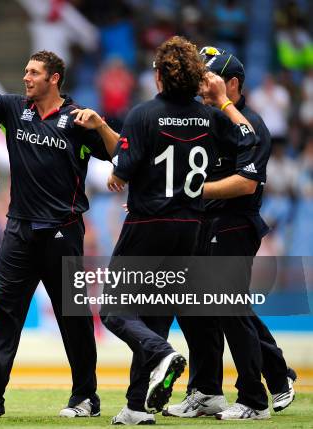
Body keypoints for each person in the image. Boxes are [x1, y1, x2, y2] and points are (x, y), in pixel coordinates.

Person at [0, 14, 118, 418]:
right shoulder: (14, 108)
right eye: (25, 71)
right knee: (4, 317)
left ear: (54, 78)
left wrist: (102, 125)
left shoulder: (79, 120)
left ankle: (86, 398)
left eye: (34, 73)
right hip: (19, 231)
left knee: (73, 321)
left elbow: (120, 154)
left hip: (63, 233)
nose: (26, 78)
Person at [102, 36, 260, 425]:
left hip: (148, 223)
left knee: (113, 308)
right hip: (192, 226)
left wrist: (118, 174)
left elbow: (121, 173)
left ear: (158, 75)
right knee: (155, 312)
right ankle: (136, 407)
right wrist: (223, 100)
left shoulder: (143, 114)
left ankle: (161, 353)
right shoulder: (210, 115)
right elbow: (248, 138)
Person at [166, 48, 296, 420]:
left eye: (207, 79)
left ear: (232, 83)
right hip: (199, 223)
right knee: (197, 307)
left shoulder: (251, 123)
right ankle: (208, 390)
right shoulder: (198, 119)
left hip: (234, 223)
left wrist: (192, 191)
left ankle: (254, 398)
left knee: (226, 305)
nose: (199, 86)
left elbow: (245, 183)